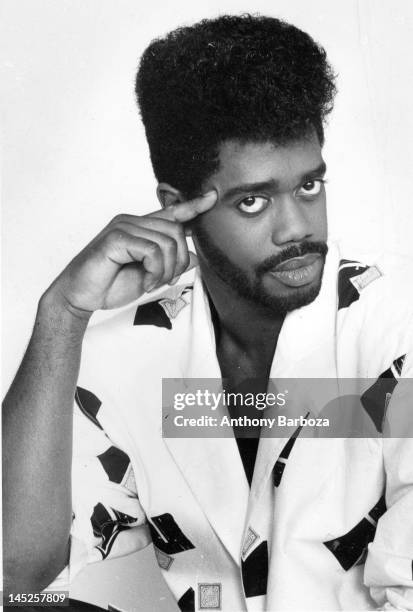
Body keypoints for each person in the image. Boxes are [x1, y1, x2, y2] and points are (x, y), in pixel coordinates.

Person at [3, 13, 413, 612]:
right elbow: (14, 572)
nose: (297, 230)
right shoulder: (130, 354)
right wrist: (62, 315)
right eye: (253, 201)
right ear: (178, 208)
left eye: (308, 187)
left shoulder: (394, 325)